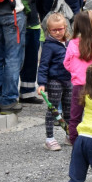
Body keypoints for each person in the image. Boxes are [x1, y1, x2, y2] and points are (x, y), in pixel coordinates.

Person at [64, 11, 92, 146]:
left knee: (75, 117)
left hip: (78, 86)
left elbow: (66, 63)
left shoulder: (72, 44)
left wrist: (76, 72)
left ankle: (75, 143)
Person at [37, 12, 73, 151]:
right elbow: (43, 65)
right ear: (48, 30)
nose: (57, 32)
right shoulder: (49, 45)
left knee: (69, 110)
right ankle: (50, 138)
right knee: (53, 110)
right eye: (54, 30)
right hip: (54, 81)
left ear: (65, 27)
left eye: (60, 29)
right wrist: (41, 84)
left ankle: (70, 134)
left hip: (69, 80)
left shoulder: (70, 43)